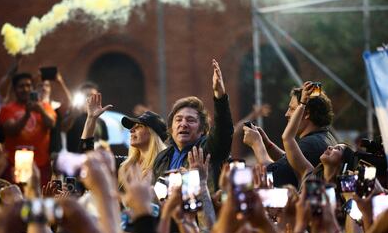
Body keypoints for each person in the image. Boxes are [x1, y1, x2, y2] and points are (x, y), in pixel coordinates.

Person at [152, 59, 233, 192]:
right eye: (178, 120)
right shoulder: (162, 158)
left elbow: (223, 132)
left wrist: (220, 97)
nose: (183, 124)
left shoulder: (207, 150)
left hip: (204, 211)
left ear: (202, 129)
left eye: (190, 120)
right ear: (171, 128)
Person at [243, 84, 337, 187]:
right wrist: (267, 143)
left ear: (306, 113)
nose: (287, 114)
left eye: (292, 109)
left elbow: (273, 176)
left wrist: (257, 144)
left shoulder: (309, 145)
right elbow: (290, 161)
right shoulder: (323, 137)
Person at [281, 81, 356, 184]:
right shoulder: (310, 176)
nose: (330, 147)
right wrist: (267, 143)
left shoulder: (346, 191)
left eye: (337, 148)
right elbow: (289, 150)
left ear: (343, 163)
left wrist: (302, 104)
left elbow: (287, 139)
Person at [0, 73, 56, 186]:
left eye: (28, 85)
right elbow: (11, 130)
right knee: (16, 197)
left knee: (41, 198)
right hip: (14, 163)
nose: (25, 89)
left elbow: (51, 124)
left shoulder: (44, 107)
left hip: (41, 164)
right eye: (21, 86)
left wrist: (41, 111)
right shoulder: (7, 109)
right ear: (14, 89)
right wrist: (27, 114)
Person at [119, 110, 167, 187]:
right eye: (132, 127)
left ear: (153, 134)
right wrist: (92, 118)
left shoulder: (166, 165)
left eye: (139, 126)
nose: (131, 130)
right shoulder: (125, 165)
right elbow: (93, 163)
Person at [65, 82, 109, 153]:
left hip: (93, 159)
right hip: (75, 159)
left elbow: (106, 144)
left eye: (93, 96)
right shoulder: (73, 116)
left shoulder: (101, 122)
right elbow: (63, 130)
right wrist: (72, 115)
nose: (90, 98)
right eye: (87, 95)